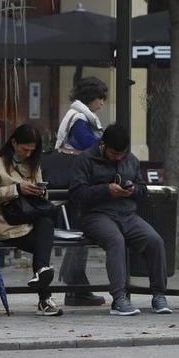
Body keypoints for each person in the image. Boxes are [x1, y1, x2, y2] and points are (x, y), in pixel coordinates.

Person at [70, 124, 171, 316]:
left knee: (154, 240)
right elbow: (77, 194)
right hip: (96, 215)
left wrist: (133, 190)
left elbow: (143, 190)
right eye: (114, 153)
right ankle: (119, 298)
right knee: (116, 240)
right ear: (102, 145)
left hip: (127, 214)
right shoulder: (85, 160)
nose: (118, 157)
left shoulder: (130, 160)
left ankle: (159, 294)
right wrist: (105, 190)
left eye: (121, 154)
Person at [0, 124, 64, 317]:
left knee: (45, 224)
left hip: (29, 219)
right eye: (24, 149)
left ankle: (42, 273)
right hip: (5, 223)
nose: (28, 153)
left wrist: (39, 191)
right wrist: (17, 189)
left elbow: (40, 200)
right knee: (42, 245)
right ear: (13, 143)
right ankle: (44, 296)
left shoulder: (33, 163)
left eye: (31, 150)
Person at [54, 76, 108, 307]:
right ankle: (76, 285)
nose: (102, 103)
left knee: (79, 233)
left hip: (73, 179)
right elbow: (90, 146)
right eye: (101, 98)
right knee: (79, 233)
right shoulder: (80, 119)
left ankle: (76, 283)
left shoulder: (77, 116)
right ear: (91, 98)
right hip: (76, 181)